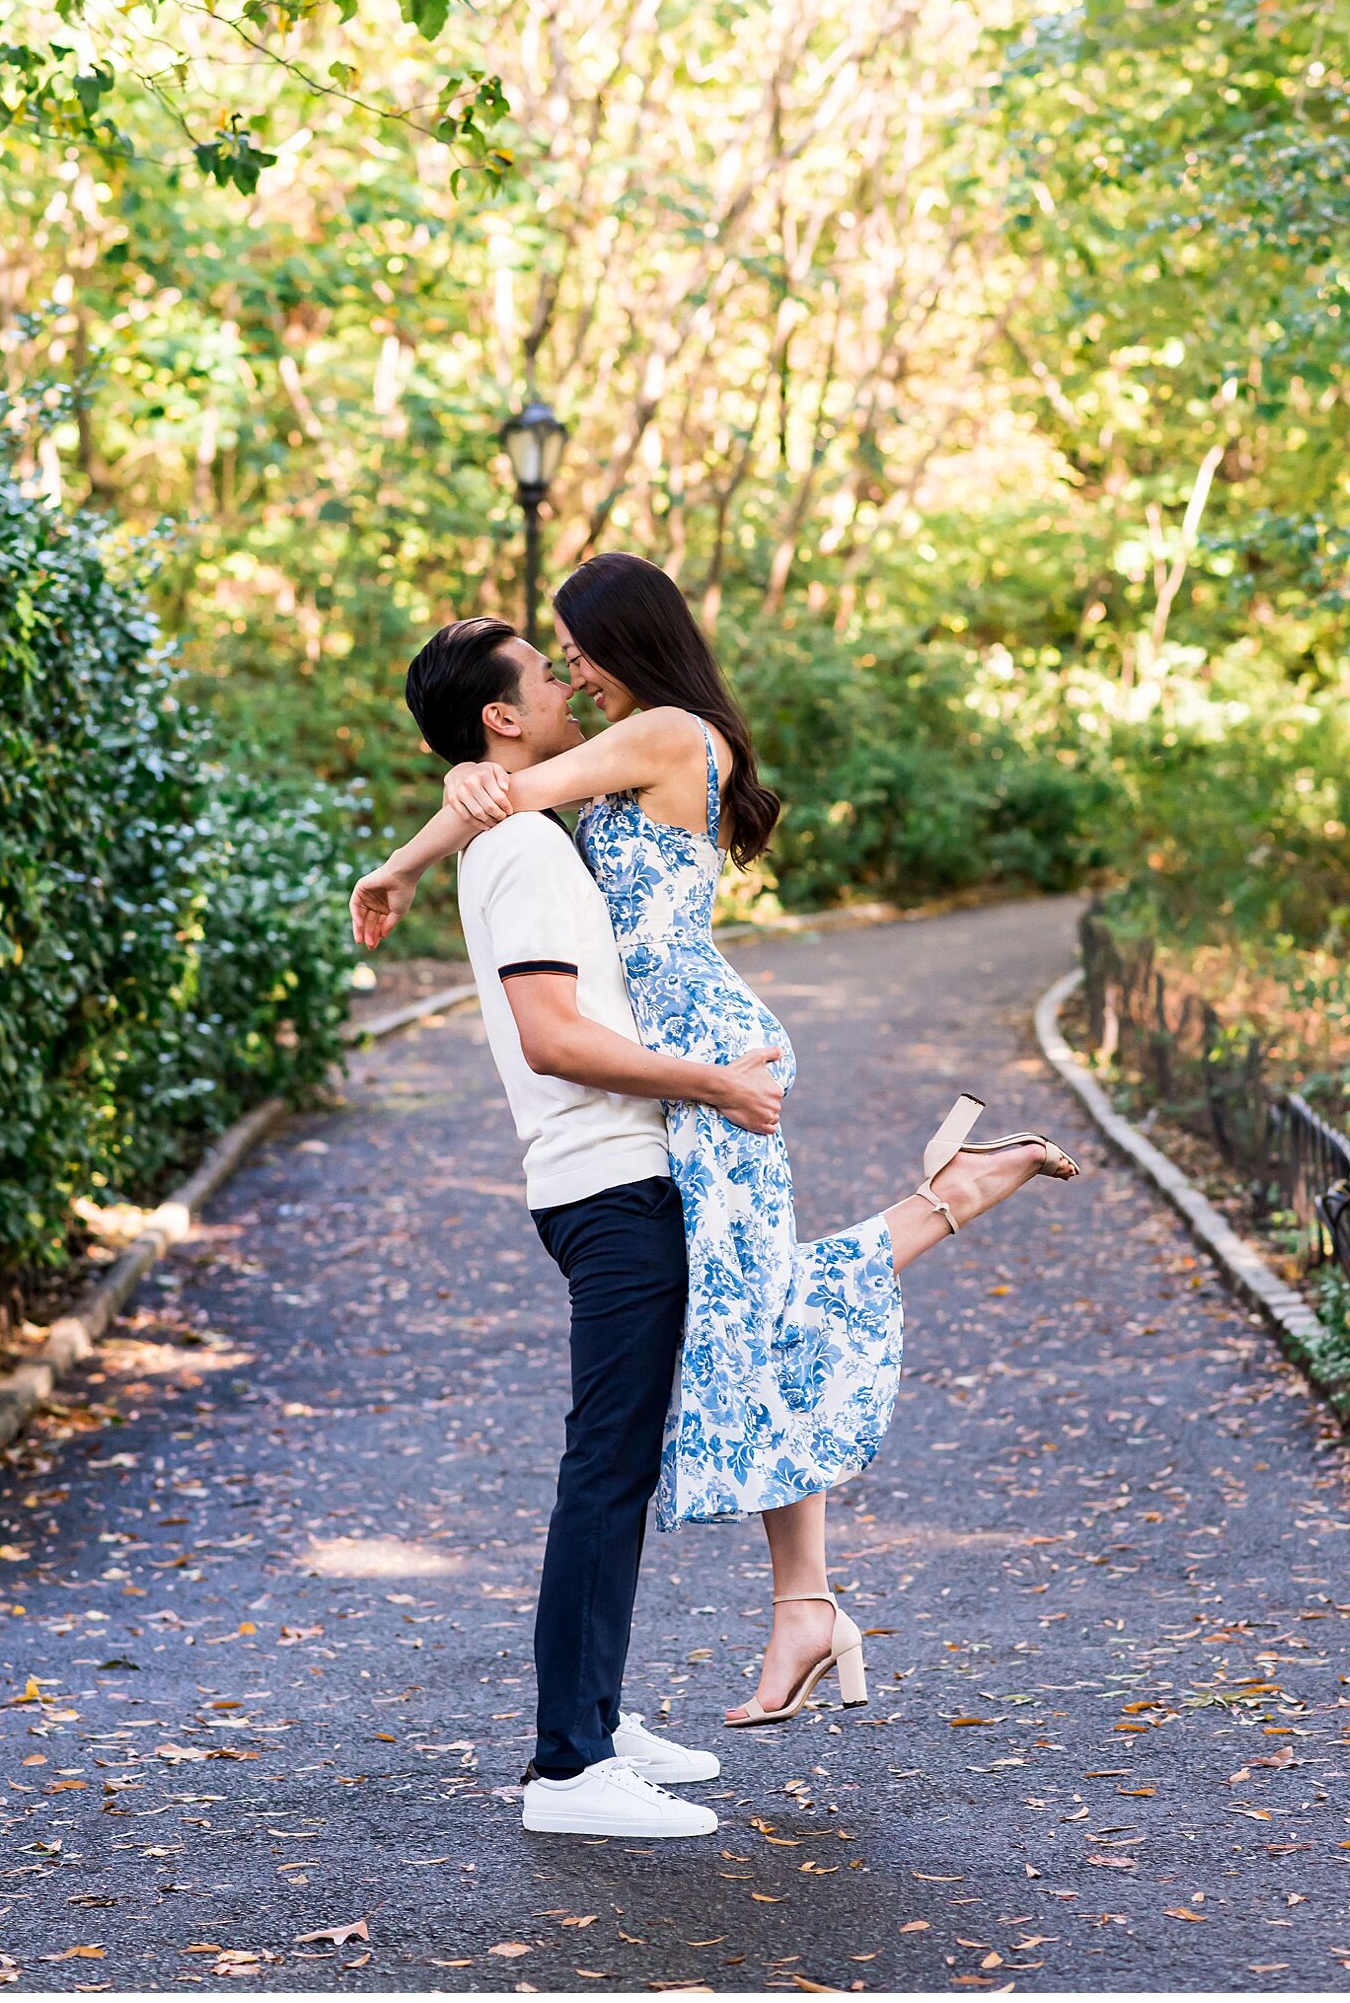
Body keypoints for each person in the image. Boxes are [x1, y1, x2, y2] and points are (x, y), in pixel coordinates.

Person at [352, 557, 1078, 1733]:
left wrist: (421, 834)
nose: (572, 673)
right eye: (554, 662)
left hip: (710, 1055)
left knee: (750, 1307)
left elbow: (506, 792)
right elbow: (500, 788)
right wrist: (412, 846)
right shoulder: (643, 738)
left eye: (575, 650)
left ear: (623, 637)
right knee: (749, 1305)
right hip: (686, 1054)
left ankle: (947, 1209)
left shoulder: (669, 731)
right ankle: (808, 1591)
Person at [391, 615, 787, 1836]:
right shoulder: (526, 851)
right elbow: (555, 1036)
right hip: (611, 1182)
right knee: (603, 1469)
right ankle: (569, 1768)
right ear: (499, 717)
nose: (567, 682)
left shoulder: (528, 828)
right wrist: (718, 1082)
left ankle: (600, 1722)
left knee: (614, 1463)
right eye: (541, 672)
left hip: (621, 1172)